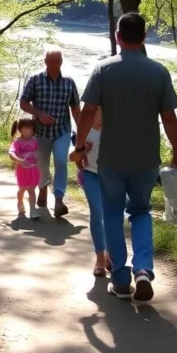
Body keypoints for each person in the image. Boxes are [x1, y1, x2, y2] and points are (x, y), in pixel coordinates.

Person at [73, 12, 177, 302]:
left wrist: (80, 145)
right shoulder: (159, 72)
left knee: (112, 212)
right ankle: (144, 270)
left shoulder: (103, 70)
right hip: (146, 158)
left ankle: (121, 280)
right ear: (144, 37)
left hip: (111, 158)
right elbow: (169, 118)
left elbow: (87, 112)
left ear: (117, 36)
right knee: (140, 211)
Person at [19, 47, 81, 218]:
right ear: (45, 62)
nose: (54, 64)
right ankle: (43, 189)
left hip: (62, 131)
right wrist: (38, 114)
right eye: (51, 61)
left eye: (57, 61)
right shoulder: (35, 80)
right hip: (40, 133)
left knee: (61, 161)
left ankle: (59, 199)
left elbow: (76, 108)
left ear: (62, 62)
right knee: (42, 166)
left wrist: (84, 132)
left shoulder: (69, 82)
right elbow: (23, 102)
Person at [72, 106, 110, 277]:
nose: (97, 115)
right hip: (90, 175)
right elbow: (72, 158)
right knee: (96, 211)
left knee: (111, 214)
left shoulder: (113, 130)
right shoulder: (84, 132)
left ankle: (110, 253)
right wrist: (82, 150)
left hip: (112, 177)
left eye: (101, 111)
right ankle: (100, 258)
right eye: (94, 112)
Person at [8, 118, 41, 218]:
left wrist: (39, 160)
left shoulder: (35, 141)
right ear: (20, 129)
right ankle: (20, 202)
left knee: (32, 190)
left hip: (33, 169)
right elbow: (11, 152)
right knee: (22, 189)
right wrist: (18, 160)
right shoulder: (18, 142)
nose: (29, 131)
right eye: (26, 128)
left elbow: (38, 152)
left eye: (31, 129)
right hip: (22, 170)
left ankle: (33, 210)